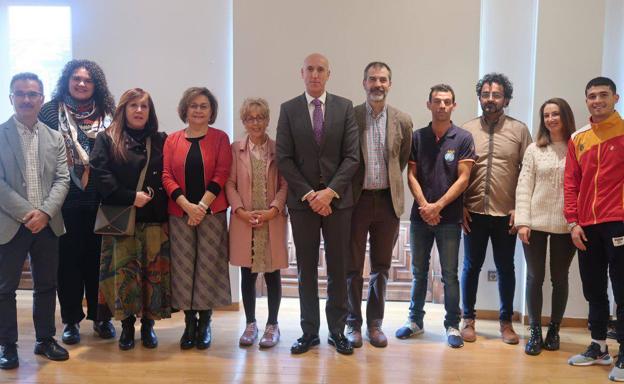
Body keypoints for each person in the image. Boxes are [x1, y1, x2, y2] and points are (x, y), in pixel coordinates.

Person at [276, 53, 359, 355]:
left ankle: (338, 331)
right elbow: (283, 158)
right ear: (301, 73)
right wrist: (311, 195)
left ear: (328, 74)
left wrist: (329, 193)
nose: (314, 74)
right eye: (309, 69)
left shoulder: (344, 107)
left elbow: (352, 156)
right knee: (306, 270)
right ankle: (309, 331)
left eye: (320, 69)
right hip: (303, 205)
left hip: (338, 203)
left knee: (338, 268)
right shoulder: (288, 110)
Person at [38, 59, 116, 345]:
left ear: (96, 85)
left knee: (100, 262)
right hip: (64, 199)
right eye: (76, 79)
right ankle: (71, 320)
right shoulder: (50, 111)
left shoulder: (110, 112)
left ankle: (102, 318)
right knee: (67, 264)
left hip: (101, 199)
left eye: (88, 80)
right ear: (67, 81)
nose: (82, 84)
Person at [395, 84, 476, 349]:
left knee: (450, 275)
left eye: (447, 101)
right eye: (437, 101)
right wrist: (424, 205)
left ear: (454, 105)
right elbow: (410, 174)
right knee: (418, 273)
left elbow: (464, 178)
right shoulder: (417, 137)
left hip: (449, 219)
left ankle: (452, 325)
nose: (442, 106)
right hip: (420, 218)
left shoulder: (463, 138)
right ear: (428, 104)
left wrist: (438, 206)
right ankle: (415, 321)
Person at [90, 88, 171, 350]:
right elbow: (100, 175)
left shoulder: (161, 140)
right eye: (133, 105)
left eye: (144, 106)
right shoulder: (107, 139)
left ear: (150, 112)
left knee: (152, 276)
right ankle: (126, 326)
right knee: (124, 277)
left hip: (154, 219)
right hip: (121, 219)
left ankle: (148, 326)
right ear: (123, 110)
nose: (139, 110)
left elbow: (169, 175)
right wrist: (129, 196)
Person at [0, 73, 70, 369]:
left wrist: (44, 213)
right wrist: (28, 213)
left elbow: (63, 179)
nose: (27, 99)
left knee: (46, 284)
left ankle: (45, 339)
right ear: (11, 98)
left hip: (48, 224)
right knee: (5, 288)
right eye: (20, 94)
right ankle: (7, 345)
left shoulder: (55, 137)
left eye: (32, 94)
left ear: (42, 98)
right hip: (10, 223)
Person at [460, 72, 532, 344]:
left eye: (496, 95)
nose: (490, 99)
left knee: (506, 268)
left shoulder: (519, 130)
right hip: (474, 212)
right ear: (480, 97)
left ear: (506, 99)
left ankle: (506, 323)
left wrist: (520, 208)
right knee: (470, 267)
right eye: (486, 94)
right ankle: (468, 320)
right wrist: (460, 206)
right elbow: (457, 173)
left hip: (506, 214)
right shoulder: (466, 130)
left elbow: (528, 172)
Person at [346, 62, 412, 348]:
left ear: (390, 84)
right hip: (356, 202)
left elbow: (402, 159)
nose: (377, 84)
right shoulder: (351, 117)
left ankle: (375, 324)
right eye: (372, 79)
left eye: (383, 79)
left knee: (381, 266)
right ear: (363, 83)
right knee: (352, 266)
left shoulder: (402, 120)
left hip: (387, 202)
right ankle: (353, 324)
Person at [163, 87, 232, 350]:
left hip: (211, 212)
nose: (199, 110)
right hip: (180, 213)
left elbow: (222, 172)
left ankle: (205, 323)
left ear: (211, 111)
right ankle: (188, 323)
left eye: (204, 106)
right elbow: (166, 175)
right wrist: (186, 205)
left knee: (207, 266)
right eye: (194, 105)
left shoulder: (220, 138)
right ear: (185, 109)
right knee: (182, 268)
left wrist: (200, 207)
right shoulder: (172, 140)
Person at [565, 77, 624, 382]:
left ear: (615, 97)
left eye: (603, 95)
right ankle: (598, 346)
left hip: (619, 222)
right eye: (591, 96)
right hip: (587, 225)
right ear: (586, 100)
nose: (597, 100)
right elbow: (571, 183)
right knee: (593, 288)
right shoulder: (578, 138)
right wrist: (573, 222)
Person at [515, 98, 577, 356]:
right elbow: (524, 186)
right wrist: (522, 222)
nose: (551, 119)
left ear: (565, 116)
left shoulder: (577, 147)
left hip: (566, 223)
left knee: (559, 279)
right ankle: (535, 332)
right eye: (546, 115)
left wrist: (577, 222)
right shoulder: (534, 149)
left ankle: (554, 329)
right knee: (534, 277)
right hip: (535, 224)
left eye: (556, 114)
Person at [226, 98, 288, 348]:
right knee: (247, 273)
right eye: (250, 118)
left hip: (271, 220)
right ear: (243, 121)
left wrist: (274, 210)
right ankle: (251, 324)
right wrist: (239, 210)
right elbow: (229, 183)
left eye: (260, 117)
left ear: (267, 120)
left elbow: (285, 184)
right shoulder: (235, 149)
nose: (255, 122)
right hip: (245, 220)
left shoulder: (278, 148)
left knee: (273, 274)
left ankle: (273, 325)